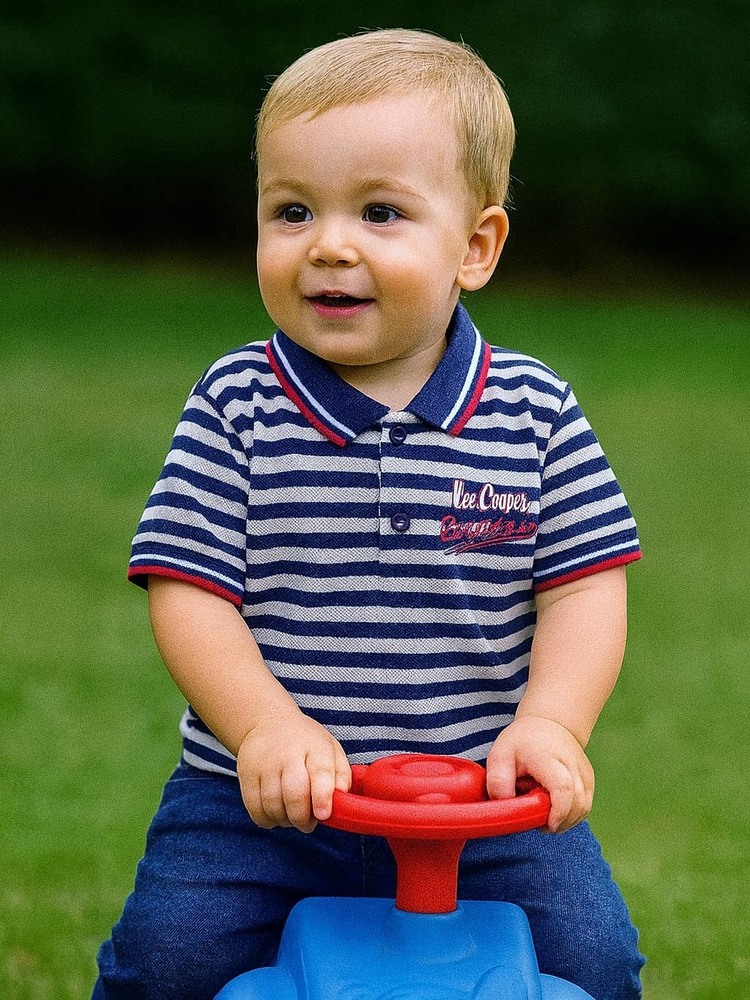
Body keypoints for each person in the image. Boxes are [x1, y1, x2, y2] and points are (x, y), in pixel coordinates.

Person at [93, 28, 645, 1000]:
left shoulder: (535, 409)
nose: (329, 244)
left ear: (475, 246)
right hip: (257, 806)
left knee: (594, 962)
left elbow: (584, 583)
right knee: (167, 961)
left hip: (482, 807)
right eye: (291, 210)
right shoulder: (237, 401)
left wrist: (553, 722)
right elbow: (188, 589)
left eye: (380, 211)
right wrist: (262, 726)